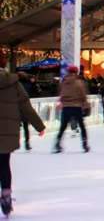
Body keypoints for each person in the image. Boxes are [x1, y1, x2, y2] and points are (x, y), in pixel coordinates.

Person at [0, 57, 46, 217]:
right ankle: (5, 196)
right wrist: (39, 126)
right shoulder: (14, 83)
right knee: (4, 164)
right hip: (7, 131)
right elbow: (25, 105)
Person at [54, 66, 90, 154]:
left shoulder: (64, 82)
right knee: (82, 126)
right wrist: (86, 106)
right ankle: (84, 144)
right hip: (77, 107)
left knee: (62, 127)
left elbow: (60, 93)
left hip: (66, 107)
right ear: (76, 72)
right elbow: (83, 96)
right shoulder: (79, 82)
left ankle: (58, 143)